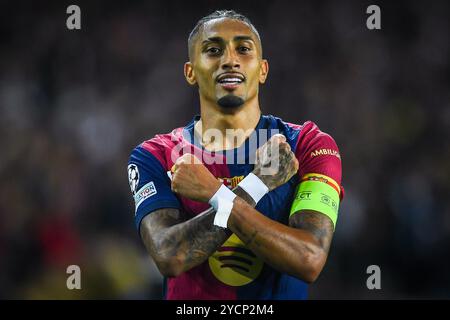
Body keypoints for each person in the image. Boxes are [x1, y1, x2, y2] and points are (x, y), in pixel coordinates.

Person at [127, 10, 344, 299]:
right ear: (191, 71)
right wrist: (257, 183)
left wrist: (215, 193)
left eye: (243, 49)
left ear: (263, 70)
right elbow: (170, 256)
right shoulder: (155, 156)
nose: (230, 60)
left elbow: (309, 259)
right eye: (213, 50)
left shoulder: (308, 145)